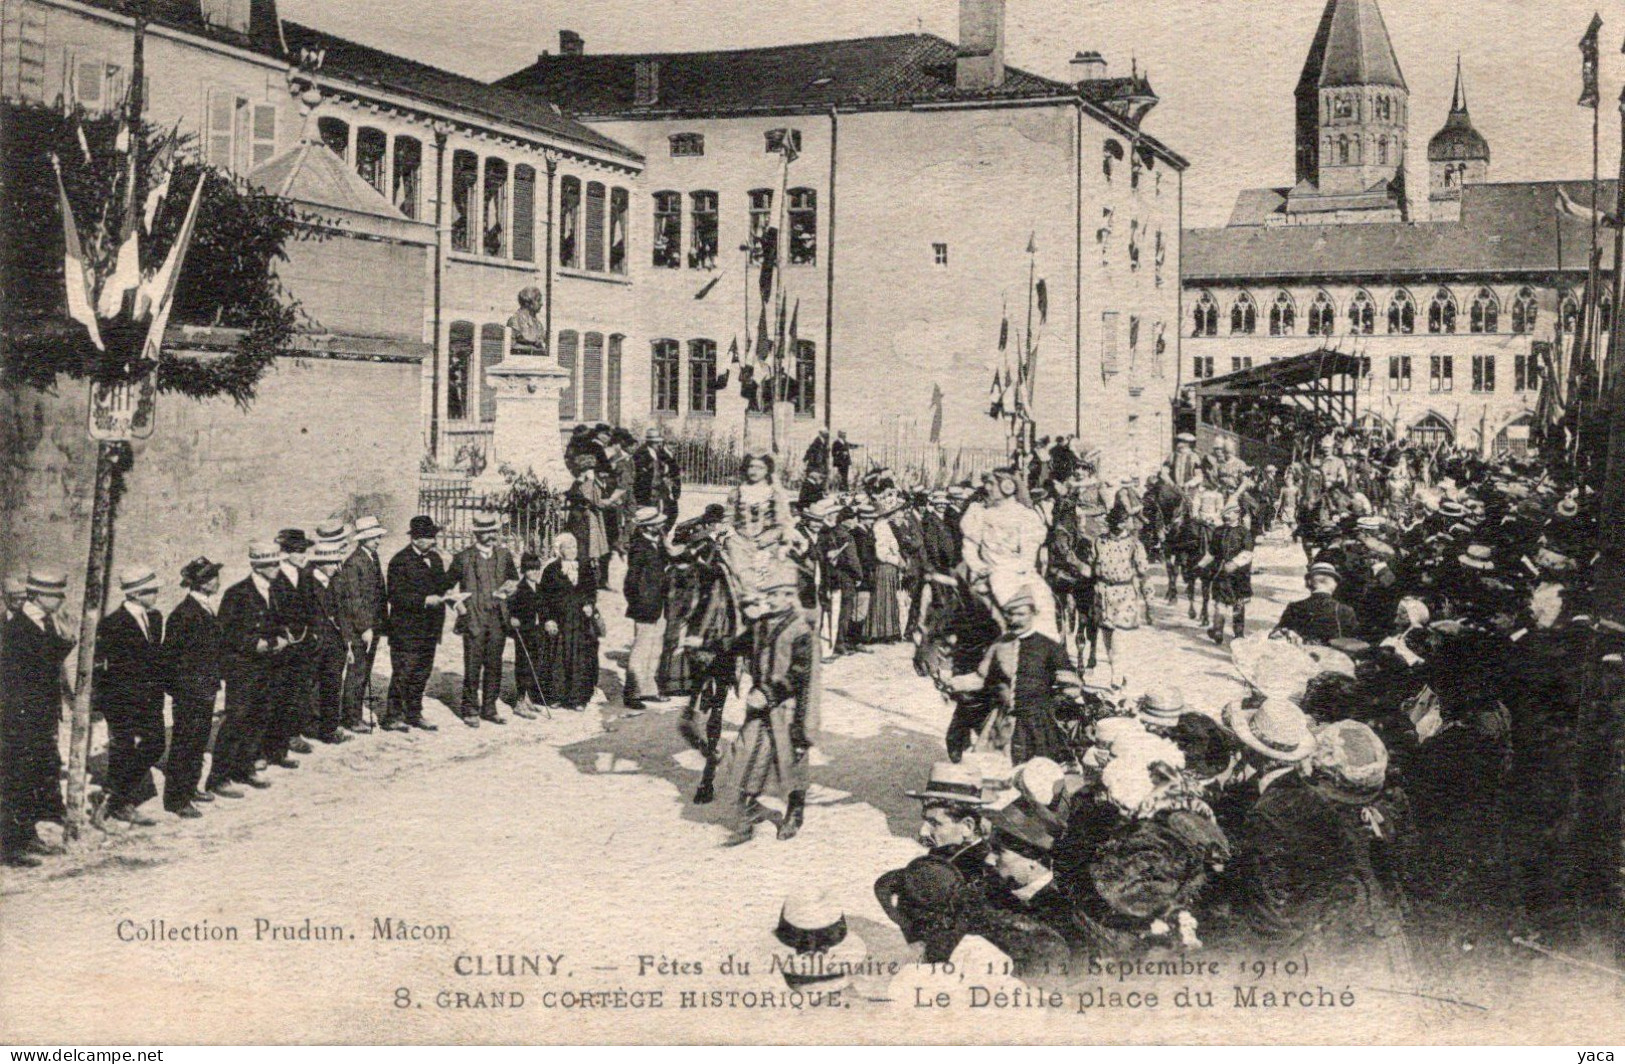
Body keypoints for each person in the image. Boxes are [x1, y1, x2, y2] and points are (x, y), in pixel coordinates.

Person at [726, 563, 817, 846]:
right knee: (747, 752)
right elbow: (737, 646)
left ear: (789, 596)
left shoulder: (800, 629)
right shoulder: (761, 623)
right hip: (760, 703)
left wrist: (769, 693)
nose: (769, 600)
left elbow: (801, 674)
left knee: (788, 759)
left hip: (786, 707)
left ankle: (795, 809)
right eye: (768, 595)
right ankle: (749, 808)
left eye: (775, 595)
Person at [947, 586, 1081, 765]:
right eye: (1010, 614)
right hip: (1001, 726)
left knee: (1037, 779)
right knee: (994, 778)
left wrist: (1048, 704)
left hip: (1038, 729)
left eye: (1021, 614)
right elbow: (980, 679)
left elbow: (1073, 687)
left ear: (1033, 613)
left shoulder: (1049, 647)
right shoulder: (999, 645)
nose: (1015, 619)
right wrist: (953, 683)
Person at [0, 568, 74, 866]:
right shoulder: (16, 627)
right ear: (40, 596)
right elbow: (33, 668)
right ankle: (10, 846)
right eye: (57, 595)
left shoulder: (42, 622)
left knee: (34, 776)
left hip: (38, 715)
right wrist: (64, 644)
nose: (61, 600)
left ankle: (27, 835)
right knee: (16, 778)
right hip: (19, 718)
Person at [204, 543, 285, 795]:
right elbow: (225, 633)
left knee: (260, 716)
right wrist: (253, 643)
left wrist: (281, 637)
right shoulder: (237, 594)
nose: (276, 568)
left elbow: (280, 621)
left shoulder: (274, 590)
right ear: (257, 566)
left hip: (267, 665)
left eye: (277, 563)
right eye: (271, 564)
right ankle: (219, 777)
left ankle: (245, 766)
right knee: (237, 719)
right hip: (243, 667)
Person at [94, 567, 167, 826]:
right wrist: (101, 704)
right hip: (122, 700)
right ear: (135, 594)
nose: (157, 594)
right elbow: (102, 668)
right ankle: (118, 804)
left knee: (155, 745)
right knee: (123, 750)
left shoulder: (155, 618)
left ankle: (113, 797)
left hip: (150, 698)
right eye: (152, 590)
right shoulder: (112, 624)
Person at [162, 557, 225, 818]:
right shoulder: (183, 614)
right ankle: (177, 799)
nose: (216, 581)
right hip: (190, 690)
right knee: (185, 743)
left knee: (198, 740)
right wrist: (182, 690)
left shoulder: (206, 607)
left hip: (205, 686)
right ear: (199, 583)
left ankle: (191, 787)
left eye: (215, 576)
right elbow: (171, 657)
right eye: (210, 578)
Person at [447, 512, 517, 727]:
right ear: (477, 534)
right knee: (472, 665)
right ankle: (469, 709)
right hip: (474, 619)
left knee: (494, 665)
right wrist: (460, 608)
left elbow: (514, 580)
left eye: (493, 531)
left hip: (497, 618)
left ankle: (490, 707)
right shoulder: (463, 558)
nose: (491, 535)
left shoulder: (504, 556)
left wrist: (508, 591)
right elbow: (447, 589)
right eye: (485, 532)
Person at [384, 516, 452, 733]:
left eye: (433, 536)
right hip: (407, 629)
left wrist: (449, 593)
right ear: (415, 538)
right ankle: (393, 716)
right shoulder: (399, 561)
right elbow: (395, 596)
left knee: (422, 672)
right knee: (403, 672)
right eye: (427, 537)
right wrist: (424, 600)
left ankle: (414, 713)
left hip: (430, 628)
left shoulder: (435, 558)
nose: (432, 541)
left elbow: (441, 585)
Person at [266, 528, 317, 766]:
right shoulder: (274, 578)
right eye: (297, 551)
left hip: (303, 641)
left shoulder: (304, 574)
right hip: (284, 643)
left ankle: (294, 734)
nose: (302, 555)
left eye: (304, 550)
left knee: (299, 688)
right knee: (281, 692)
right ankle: (277, 741)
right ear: (285, 553)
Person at [333, 515, 387, 733]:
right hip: (359, 629)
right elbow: (353, 599)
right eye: (373, 537)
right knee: (357, 673)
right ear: (363, 539)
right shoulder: (354, 562)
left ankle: (354, 714)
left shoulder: (372, 556)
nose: (377, 541)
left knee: (364, 671)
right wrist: (364, 627)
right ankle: (351, 718)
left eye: (378, 537)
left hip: (373, 626)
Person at [901, 761, 993, 884]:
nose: (923, 831)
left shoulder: (980, 874)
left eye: (935, 823)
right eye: (926, 821)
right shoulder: (944, 858)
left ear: (967, 827)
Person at [538, 531, 601, 711]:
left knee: (580, 658)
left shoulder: (585, 567)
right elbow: (543, 598)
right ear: (559, 550)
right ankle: (557, 696)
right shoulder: (551, 570)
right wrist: (548, 619)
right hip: (560, 620)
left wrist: (590, 604)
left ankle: (578, 699)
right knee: (558, 657)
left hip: (580, 621)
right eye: (568, 547)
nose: (573, 550)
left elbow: (591, 591)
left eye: (574, 546)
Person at [1093, 506, 1151, 685]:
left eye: (1124, 521)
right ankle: (1117, 671)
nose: (1122, 525)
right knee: (1107, 640)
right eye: (1117, 522)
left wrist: (1148, 600)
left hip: (1124, 594)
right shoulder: (1099, 542)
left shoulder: (1134, 544)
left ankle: (1116, 678)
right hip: (1102, 594)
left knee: (1119, 639)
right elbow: (1092, 566)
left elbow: (1143, 572)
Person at [623, 506, 672, 710]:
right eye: (658, 523)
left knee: (655, 647)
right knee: (641, 649)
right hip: (645, 605)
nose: (662, 525)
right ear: (648, 526)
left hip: (659, 603)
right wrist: (638, 602)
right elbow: (631, 581)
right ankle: (632, 693)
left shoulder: (657, 543)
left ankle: (649, 689)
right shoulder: (639, 547)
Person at [306, 541, 351, 744]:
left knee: (333, 685)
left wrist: (346, 643)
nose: (336, 566)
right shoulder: (306, 583)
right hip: (313, 644)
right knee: (309, 687)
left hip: (334, 643)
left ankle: (329, 729)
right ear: (321, 563)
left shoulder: (334, 582)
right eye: (333, 562)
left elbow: (340, 613)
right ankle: (308, 726)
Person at [1273, 561, 1359, 645]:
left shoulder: (1294, 608)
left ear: (1308, 583)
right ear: (1334, 585)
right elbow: (1355, 642)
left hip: (1301, 657)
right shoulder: (1344, 610)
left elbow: (1277, 635)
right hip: (1334, 658)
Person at [507, 553, 548, 718]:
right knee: (524, 665)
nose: (535, 572)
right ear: (524, 571)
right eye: (531, 569)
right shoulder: (519, 589)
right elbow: (510, 608)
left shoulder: (539, 587)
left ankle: (528, 699)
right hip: (523, 632)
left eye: (537, 569)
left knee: (534, 664)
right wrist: (513, 618)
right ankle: (519, 700)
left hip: (537, 631)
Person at [1208, 504, 1255, 644]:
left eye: (1230, 514)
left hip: (1239, 574)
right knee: (1219, 602)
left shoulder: (1244, 532)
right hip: (1221, 572)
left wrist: (1235, 563)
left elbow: (1248, 553)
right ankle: (1217, 630)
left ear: (1237, 514)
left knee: (1238, 603)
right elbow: (1212, 552)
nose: (1227, 517)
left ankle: (1239, 633)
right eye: (1225, 514)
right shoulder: (1218, 531)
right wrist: (1200, 565)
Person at [566, 455, 613, 590]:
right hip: (585, 520)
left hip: (577, 520)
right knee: (586, 551)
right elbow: (595, 501)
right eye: (591, 469)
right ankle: (587, 582)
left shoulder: (577, 483)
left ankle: (586, 579)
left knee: (584, 551)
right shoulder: (587, 483)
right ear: (587, 469)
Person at [632, 424, 681, 530]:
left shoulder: (658, 452)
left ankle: (662, 536)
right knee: (649, 518)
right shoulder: (641, 453)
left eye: (659, 442)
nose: (659, 444)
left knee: (671, 512)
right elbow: (640, 475)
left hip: (659, 491)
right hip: (647, 492)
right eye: (656, 442)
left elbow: (672, 466)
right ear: (650, 442)